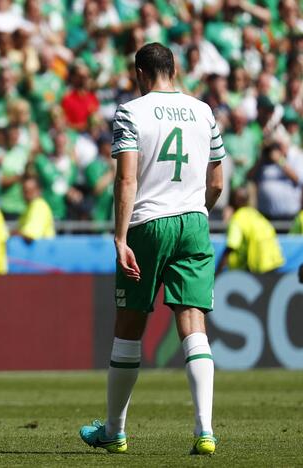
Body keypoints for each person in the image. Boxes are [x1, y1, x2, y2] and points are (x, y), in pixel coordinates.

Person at [79, 43, 225, 456]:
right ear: (174, 69)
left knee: (129, 327)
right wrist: (195, 213)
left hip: (148, 223)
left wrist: (121, 237)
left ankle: (114, 430)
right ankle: (205, 430)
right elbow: (216, 183)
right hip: (195, 222)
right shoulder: (204, 111)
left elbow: (126, 181)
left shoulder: (130, 111)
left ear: (140, 73)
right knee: (193, 325)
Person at [216, 187, 284, 275]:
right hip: (275, 261)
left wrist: (218, 271)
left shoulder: (238, 218)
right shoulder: (256, 214)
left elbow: (232, 245)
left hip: (259, 265)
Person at [15, 175, 54, 241]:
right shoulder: (29, 207)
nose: (27, 194)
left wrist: (11, 234)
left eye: (31, 190)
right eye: (25, 191)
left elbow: (29, 235)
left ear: (39, 190)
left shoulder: (39, 206)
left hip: (42, 250)